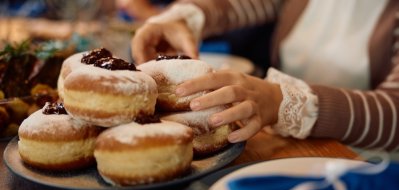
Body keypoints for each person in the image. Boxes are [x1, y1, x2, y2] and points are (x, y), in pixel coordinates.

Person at [131, 0, 399, 151]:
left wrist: (283, 101)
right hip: (289, 143)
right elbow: (236, 5)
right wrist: (182, 19)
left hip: (366, 164)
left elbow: (394, 115)